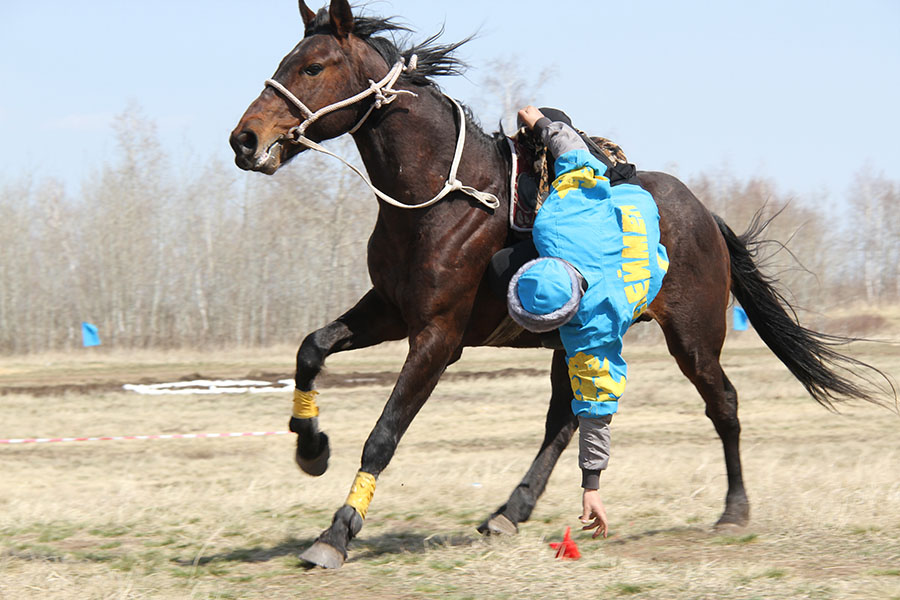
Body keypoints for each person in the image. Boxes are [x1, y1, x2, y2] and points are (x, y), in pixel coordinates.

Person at [507, 106, 669, 538]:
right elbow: (574, 151)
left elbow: (597, 407)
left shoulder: (594, 328)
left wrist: (592, 487)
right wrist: (540, 121)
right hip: (619, 209)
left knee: (654, 270)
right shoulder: (558, 223)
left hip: (640, 229)